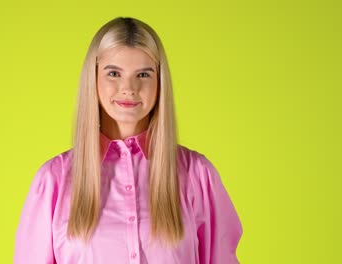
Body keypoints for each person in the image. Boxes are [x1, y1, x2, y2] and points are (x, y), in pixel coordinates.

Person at [14, 17, 242, 264]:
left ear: (159, 82)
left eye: (143, 74)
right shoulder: (53, 181)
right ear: (94, 78)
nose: (129, 88)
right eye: (114, 73)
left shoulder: (198, 175)